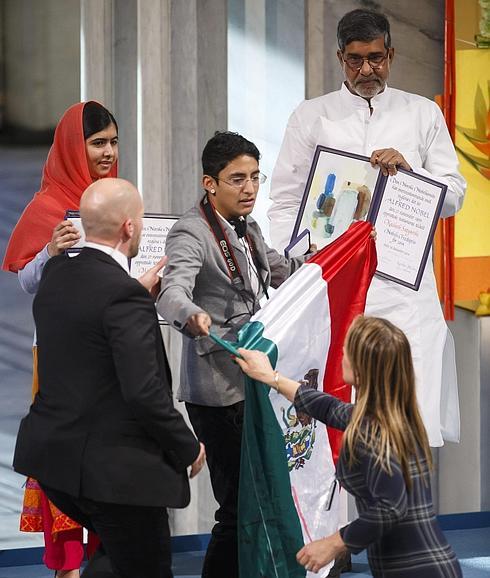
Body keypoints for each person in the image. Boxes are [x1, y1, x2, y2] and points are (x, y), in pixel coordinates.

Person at [269, 8, 466, 447]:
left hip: (404, 291)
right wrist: (304, 263)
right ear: (340, 59)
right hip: (336, 284)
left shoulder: (421, 114)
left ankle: (407, 515)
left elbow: (453, 195)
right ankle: (348, 517)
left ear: (391, 55)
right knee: (340, 425)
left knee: (410, 417)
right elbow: (283, 201)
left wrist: (412, 173)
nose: (366, 70)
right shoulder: (311, 116)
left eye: (375, 58)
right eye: (355, 60)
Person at [13, 178, 206, 578]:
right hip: (112, 472)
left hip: (56, 464)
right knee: (144, 565)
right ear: (131, 228)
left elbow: (90, 328)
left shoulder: (58, 274)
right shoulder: (122, 296)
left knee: (114, 562)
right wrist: (188, 447)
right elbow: (145, 393)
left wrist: (132, 294)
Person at [157, 131, 312, 578]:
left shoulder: (248, 226)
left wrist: (325, 260)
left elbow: (279, 270)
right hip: (215, 391)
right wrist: (192, 315)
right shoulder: (192, 230)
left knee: (256, 498)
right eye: (237, 179)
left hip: (251, 379)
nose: (249, 189)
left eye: (255, 178)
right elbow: (171, 293)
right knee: (236, 505)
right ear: (210, 183)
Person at [235, 316, 463, 578]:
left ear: (363, 367)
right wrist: (271, 376)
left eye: (348, 349)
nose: (342, 352)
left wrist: (332, 544)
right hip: (430, 566)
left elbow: (391, 507)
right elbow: (328, 408)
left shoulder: (372, 430)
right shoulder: (391, 417)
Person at [2, 101, 119, 578]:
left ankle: (106, 558)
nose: (108, 152)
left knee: (109, 456)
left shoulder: (119, 199)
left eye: (113, 142)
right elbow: (27, 282)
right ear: (75, 147)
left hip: (111, 351)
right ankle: (68, 566)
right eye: (97, 144)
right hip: (59, 356)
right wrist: (50, 250)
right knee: (64, 455)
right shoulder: (49, 205)